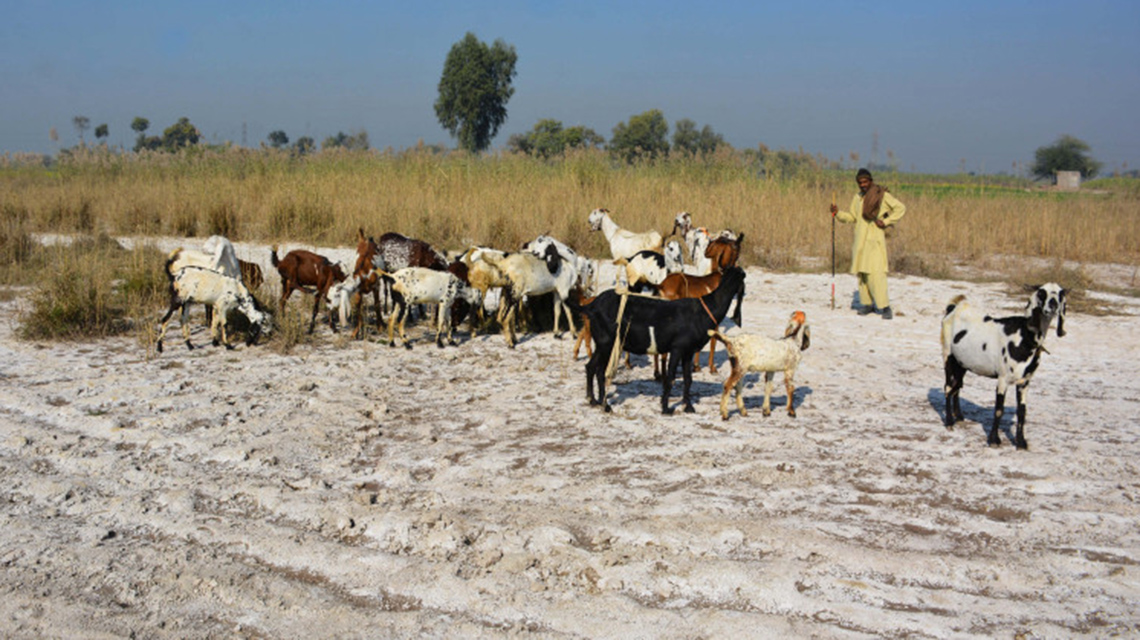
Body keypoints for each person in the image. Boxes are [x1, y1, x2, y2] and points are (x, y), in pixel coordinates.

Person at [830, 168, 906, 319]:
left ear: (871, 180)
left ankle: (884, 307)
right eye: (860, 182)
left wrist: (885, 221)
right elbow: (852, 217)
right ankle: (867, 304)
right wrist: (837, 213)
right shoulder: (857, 197)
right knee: (862, 273)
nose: (863, 185)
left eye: (865, 182)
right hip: (860, 241)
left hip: (874, 240)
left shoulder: (881, 195)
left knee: (876, 274)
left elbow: (900, 208)